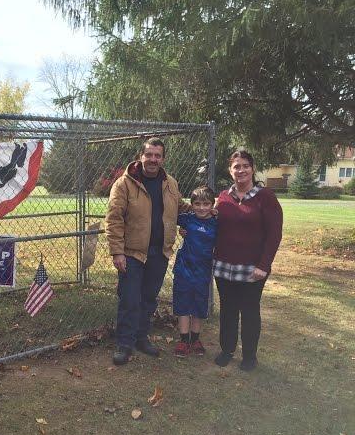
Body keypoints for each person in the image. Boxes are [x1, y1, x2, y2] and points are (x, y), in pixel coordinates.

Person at [105, 137, 190, 365]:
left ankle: (141, 338)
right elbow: (113, 219)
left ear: (163, 158)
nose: (153, 159)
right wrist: (117, 252)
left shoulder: (170, 183)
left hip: (159, 253)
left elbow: (180, 208)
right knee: (129, 299)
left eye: (157, 155)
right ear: (140, 157)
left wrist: (202, 214)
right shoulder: (124, 184)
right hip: (132, 254)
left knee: (148, 299)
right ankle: (124, 343)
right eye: (149, 155)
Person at [213, 149, 283, 371]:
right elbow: (209, 224)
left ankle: (250, 356)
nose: (241, 170)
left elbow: (274, 234)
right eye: (236, 166)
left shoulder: (266, 197)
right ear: (230, 170)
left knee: (250, 310)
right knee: (228, 309)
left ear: (252, 168)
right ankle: (227, 350)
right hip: (224, 267)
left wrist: (264, 265)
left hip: (253, 269)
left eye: (245, 165)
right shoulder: (223, 198)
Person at [172, 186, 217, 358]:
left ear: (212, 205)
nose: (201, 208)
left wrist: (217, 213)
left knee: (199, 305)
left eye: (206, 204)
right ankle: (183, 340)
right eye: (197, 204)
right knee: (183, 304)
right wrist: (180, 231)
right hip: (184, 268)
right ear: (192, 205)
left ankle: (195, 339)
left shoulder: (216, 221)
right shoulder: (187, 219)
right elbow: (169, 216)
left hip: (203, 270)